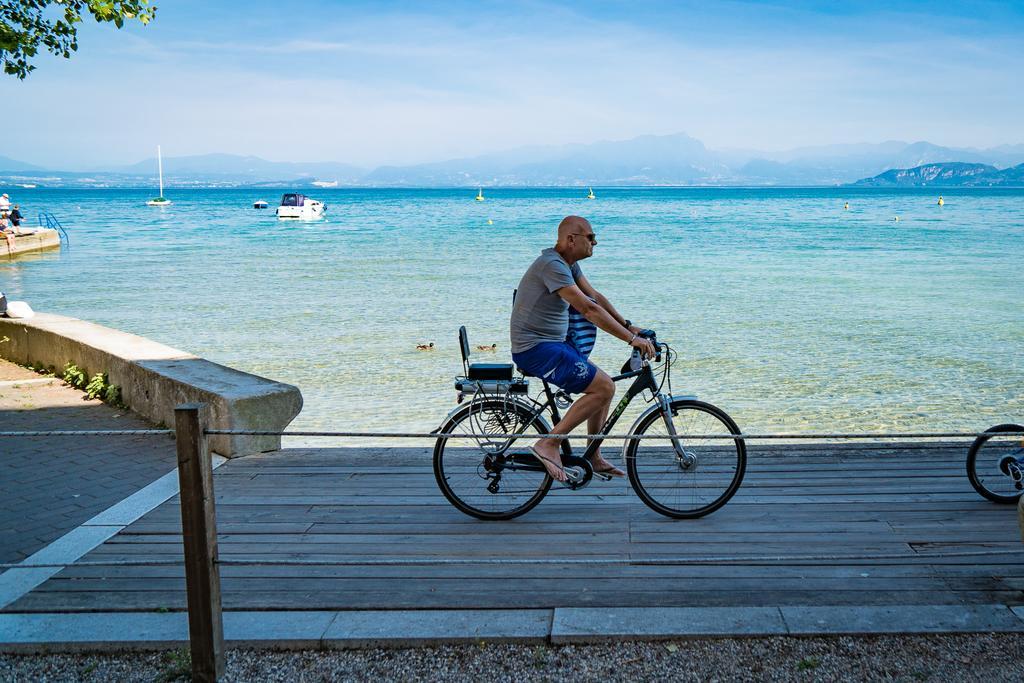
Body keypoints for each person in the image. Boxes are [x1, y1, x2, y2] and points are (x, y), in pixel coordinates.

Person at [510, 215, 655, 482]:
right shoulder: (552, 266)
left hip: (553, 344)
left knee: (603, 387)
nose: (595, 242)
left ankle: (593, 456)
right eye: (590, 237)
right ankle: (548, 443)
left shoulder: (568, 264)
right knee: (604, 387)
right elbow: (588, 309)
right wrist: (629, 339)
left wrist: (629, 326)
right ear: (570, 239)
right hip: (536, 349)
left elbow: (595, 297)